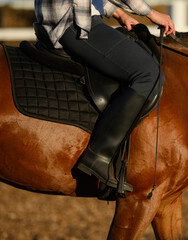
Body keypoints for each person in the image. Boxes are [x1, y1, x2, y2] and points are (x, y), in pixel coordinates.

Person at [34, 0, 175, 191]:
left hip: (78, 17)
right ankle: (99, 155)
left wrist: (119, 14)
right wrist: (151, 13)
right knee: (149, 74)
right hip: (73, 22)